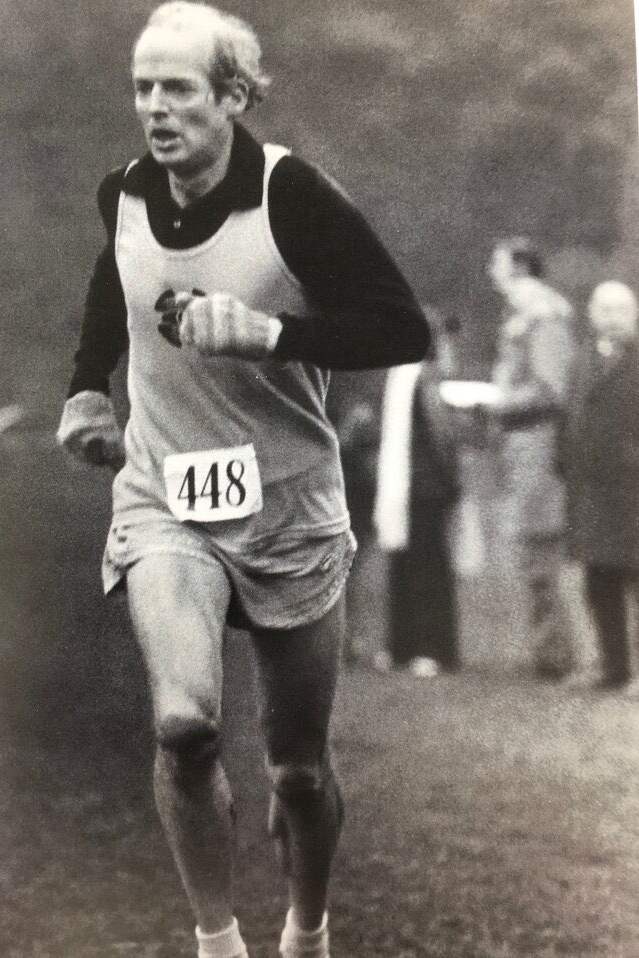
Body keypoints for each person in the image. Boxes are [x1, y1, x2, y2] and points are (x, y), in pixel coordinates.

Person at [56, 4, 429, 957]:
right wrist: (87, 395)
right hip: (167, 494)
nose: (154, 108)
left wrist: (276, 336)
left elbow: (401, 329)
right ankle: (217, 941)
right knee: (184, 724)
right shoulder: (125, 194)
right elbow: (117, 289)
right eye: (143, 87)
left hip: (290, 501)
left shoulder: (294, 198)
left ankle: (307, 926)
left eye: (177, 88)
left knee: (298, 770)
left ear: (232, 95)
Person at [486, 237, 576, 678]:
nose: (492, 271)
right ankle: (551, 653)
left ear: (521, 268)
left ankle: (557, 657)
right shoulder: (524, 315)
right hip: (522, 447)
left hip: (539, 448)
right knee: (531, 555)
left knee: (541, 553)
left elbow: (551, 388)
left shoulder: (543, 317)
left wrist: (497, 402)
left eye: (498, 263)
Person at [373, 309, 461, 676]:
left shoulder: (419, 377)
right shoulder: (407, 376)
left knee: (425, 568)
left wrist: (446, 482)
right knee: (406, 565)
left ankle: (432, 647)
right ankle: (403, 645)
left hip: (422, 487)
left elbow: (441, 437)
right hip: (409, 486)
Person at [562, 281, 639, 692]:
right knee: (600, 580)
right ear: (592, 314)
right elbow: (571, 415)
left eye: (622, 309)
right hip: (592, 488)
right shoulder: (583, 359)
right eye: (605, 309)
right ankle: (615, 668)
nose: (613, 317)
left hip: (633, 487)